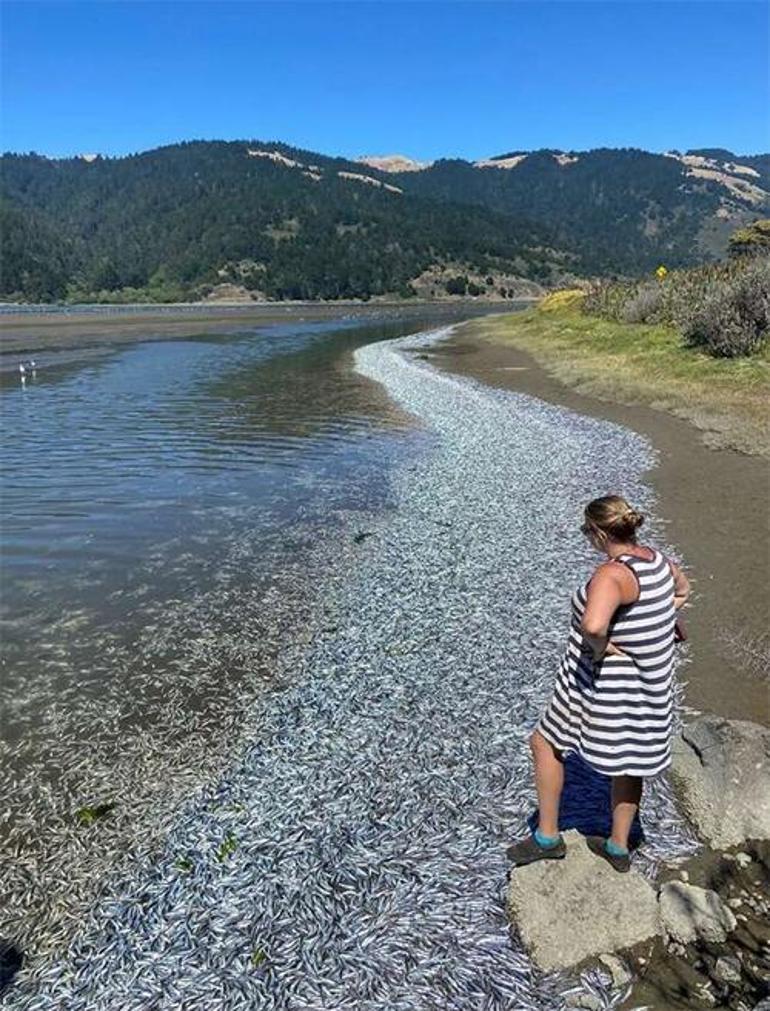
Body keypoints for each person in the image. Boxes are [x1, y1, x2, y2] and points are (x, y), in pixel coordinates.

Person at [507, 494, 690, 873]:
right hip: (650, 683)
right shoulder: (658, 560)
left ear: (597, 532)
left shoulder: (612, 574)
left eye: (585, 532)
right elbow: (682, 591)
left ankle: (547, 838)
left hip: (601, 684)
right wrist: (658, 623)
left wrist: (603, 647)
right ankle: (618, 847)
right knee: (630, 761)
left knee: (544, 743)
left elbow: (592, 625)